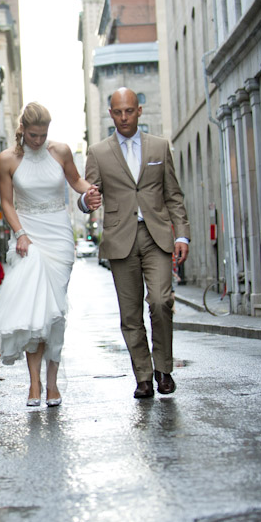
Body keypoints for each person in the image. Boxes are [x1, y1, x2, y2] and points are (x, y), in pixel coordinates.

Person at [79, 87, 190, 399]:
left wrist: (181, 233)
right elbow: (87, 196)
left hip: (157, 236)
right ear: (111, 114)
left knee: (160, 301)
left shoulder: (159, 147)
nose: (124, 117)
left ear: (139, 110)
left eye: (129, 110)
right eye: (118, 112)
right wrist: (87, 202)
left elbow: (174, 196)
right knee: (130, 314)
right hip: (120, 238)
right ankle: (143, 377)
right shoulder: (98, 152)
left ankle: (163, 368)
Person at [0, 102, 95, 407]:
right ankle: (34, 384)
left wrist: (89, 191)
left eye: (43, 134)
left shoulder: (59, 152)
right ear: (23, 129)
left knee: (55, 312)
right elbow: (7, 202)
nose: (38, 140)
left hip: (58, 236)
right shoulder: (7, 159)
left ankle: (52, 384)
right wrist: (20, 233)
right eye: (33, 135)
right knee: (33, 311)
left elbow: (76, 181)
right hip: (28, 235)